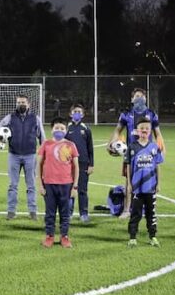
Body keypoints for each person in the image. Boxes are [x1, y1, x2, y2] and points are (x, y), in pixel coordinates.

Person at [108, 88, 165, 219]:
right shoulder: (126, 114)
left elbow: (158, 134)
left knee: (150, 180)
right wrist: (110, 143)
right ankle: (127, 210)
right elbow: (117, 130)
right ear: (132, 99)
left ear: (145, 99)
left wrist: (161, 147)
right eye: (137, 96)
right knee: (129, 181)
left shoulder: (151, 114)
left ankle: (148, 208)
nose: (139, 98)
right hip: (131, 153)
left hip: (148, 153)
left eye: (142, 96)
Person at [0, 95, 45, 220]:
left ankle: (33, 212)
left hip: (30, 156)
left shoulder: (35, 118)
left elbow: (42, 137)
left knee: (31, 185)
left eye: (23, 102)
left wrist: (44, 153)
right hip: (13, 155)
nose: (21, 104)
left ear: (29, 104)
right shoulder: (10, 117)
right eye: (19, 102)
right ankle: (11, 211)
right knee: (12, 185)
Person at [36, 117, 79, 248]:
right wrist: (40, 184)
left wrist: (75, 187)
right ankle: (49, 236)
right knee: (50, 213)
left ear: (66, 130)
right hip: (49, 184)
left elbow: (76, 167)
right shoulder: (46, 144)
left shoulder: (71, 145)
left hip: (66, 184)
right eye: (56, 128)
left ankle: (64, 237)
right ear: (51, 129)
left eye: (62, 128)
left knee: (65, 213)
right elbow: (38, 164)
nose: (59, 130)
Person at [126, 117, 164, 247]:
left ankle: (152, 236)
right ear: (137, 130)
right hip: (137, 187)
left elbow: (158, 166)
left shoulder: (154, 147)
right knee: (135, 213)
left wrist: (158, 183)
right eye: (142, 128)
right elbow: (129, 167)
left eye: (147, 128)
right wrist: (130, 184)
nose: (144, 130)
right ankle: (132, 237)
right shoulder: (132, 147)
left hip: (150, 186)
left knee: (151, 213)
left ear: (150, 131)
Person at [66, 104, 94, 222]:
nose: (77, 113)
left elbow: (90, 148)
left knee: (82, 189)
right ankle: (69, 212)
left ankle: (84, 213)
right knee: (69, 189)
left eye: (79, 111)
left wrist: (91, 164)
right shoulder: (66, 128)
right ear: (70, 113)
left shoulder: (86, 129)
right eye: (75, 111)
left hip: (83, 163)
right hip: (68, 163)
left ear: (82, 114)